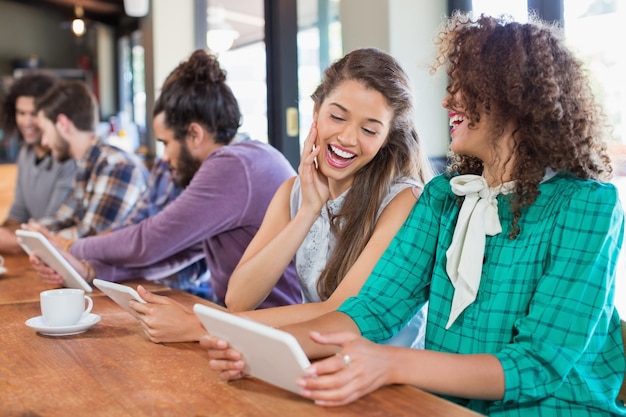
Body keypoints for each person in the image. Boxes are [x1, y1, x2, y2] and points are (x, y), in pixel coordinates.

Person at [202, 13, 626, 416]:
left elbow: (537, 364)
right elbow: (371, 310)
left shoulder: (589, 206)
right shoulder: (443, 197)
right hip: (443, 408)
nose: (447, 99)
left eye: (465, 87)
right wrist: (257, 347)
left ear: (514, 99)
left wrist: (391, 364)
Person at [126, 47, 432, 345]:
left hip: (392, 383)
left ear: (386, 138)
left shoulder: (403, 201)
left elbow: (339, 312)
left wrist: (202, 325)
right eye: (337, 117)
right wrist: (307, 211)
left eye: (369, 130)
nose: (348, 138)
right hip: (324, 365)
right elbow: (239, 299)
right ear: (316, 111)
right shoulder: (294, 192)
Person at [28, 49, 301, 310]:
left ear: (194, 134)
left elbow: (149, 240)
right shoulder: (250, 158)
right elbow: (179, 252)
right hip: (248, 320)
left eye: (166, 142)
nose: (166, 157)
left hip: (273, 325)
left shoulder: (234, 165)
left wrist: (69, 246)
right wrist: (91, 270)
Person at [26, 80, 147, 240]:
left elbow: (92, 238)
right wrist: (33, 230)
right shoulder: (86, 166)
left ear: (63, 124)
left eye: (45, 131)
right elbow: (64, 219)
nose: (44, 142)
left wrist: (44, 238)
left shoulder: (117, 166)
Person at [0, 73, 75, 254]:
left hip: (60, 252)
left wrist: (12, 240)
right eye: (21, 113)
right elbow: (19, 212)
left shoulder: (68, 159)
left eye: (34, 114)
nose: (27, 122)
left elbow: (54, 223)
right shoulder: (25, 154)